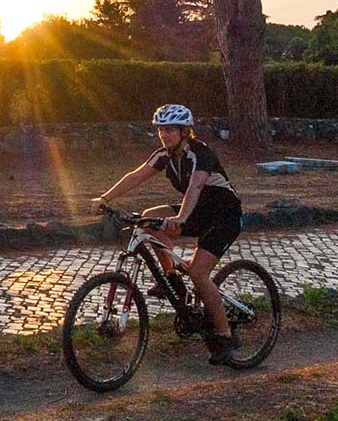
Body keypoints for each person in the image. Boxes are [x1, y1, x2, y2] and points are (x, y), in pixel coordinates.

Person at [90, 103, 244, 364]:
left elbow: (195, 187)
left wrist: (180, 218)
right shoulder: (164, 155)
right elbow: (136, 175)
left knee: (198, 273)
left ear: (185, 131)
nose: (164, 134)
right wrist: (105, 197)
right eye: (161, 129)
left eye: (170, 129)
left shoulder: (200, 153)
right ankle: (170, 279)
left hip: (223, 216)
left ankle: (225, 335)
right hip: (196, 212)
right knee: (149, 220)